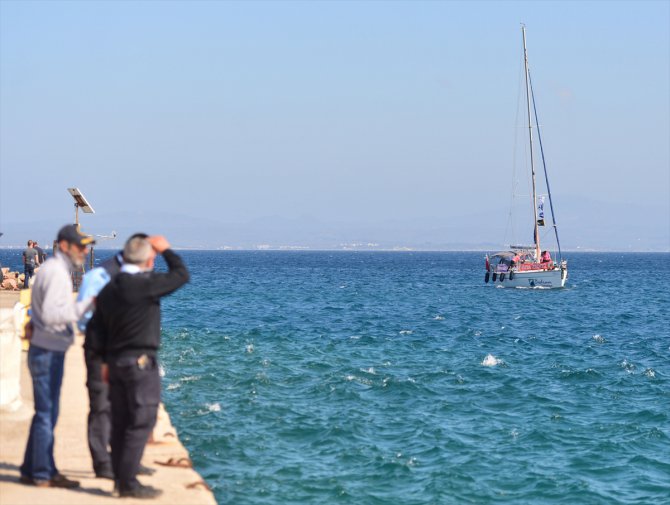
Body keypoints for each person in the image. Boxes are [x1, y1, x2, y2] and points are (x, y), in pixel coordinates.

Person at [89, 235, 189, 499]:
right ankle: (128, 482)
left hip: (114, 361)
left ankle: (121, 481)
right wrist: (167, 248)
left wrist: (102, 361)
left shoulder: (109, 288)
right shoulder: (146, 284)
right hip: (140, 363)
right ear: (149, 258)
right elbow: (181, 275)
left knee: (120, 420)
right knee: (141, 420)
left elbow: (97, 328)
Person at [19, 225, 95, 488]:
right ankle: (42, 473)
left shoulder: (53, 270)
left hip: (48, 348)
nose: (85, 252)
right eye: (80, 246)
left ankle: (32, 468)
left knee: (46, 413)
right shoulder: (57, 273)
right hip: (48, 351)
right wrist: (87, 305)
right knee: (46, 413)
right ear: (64, 246)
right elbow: (52, 315)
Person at [76, 234, 154, 480]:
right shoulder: (99, 276)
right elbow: (83, 319)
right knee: (101, 407)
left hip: (124, 353)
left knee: (127, 405)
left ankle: (125, 460)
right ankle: (102, 463)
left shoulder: (136, 276)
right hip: (101, 351)